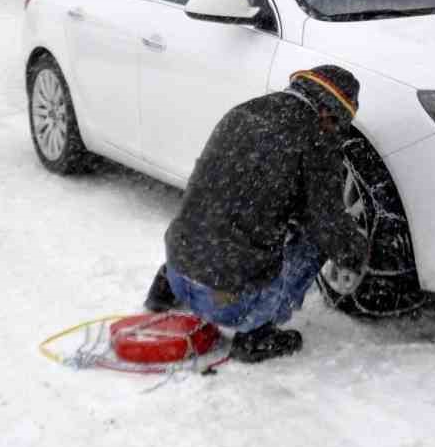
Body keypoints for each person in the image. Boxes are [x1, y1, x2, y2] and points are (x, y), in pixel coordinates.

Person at [144, 65, 369, 363]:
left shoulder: (242, 113)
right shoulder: (316, 141)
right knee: (315, 239)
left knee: (216, 209)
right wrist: (358, 253)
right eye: (338, 125)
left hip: (178, 270)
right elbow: (328, 226)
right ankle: (256, 334)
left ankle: (164, 292)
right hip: (227, 302)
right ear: (329, 114)